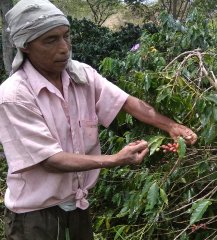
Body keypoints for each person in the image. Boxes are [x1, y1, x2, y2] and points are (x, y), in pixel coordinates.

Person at [0, 0, 197, 239]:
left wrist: (172, 126)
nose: (64, 48)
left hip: (79, 207)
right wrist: (116, 159)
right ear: (26, 46)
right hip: (35, 218)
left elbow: (126, 101)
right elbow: (50, 160)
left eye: (66, 36)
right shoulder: (14, 95)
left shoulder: (81, 76)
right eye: (50, 40)